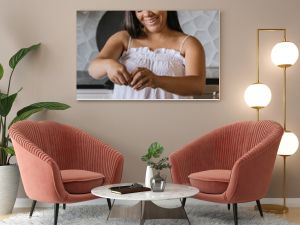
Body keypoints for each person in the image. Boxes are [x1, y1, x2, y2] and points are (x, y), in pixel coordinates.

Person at [88, 10, 206, 99]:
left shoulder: (189, 44)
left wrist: (157, 80)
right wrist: (108, 65)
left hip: (172, 119)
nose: (147, 14)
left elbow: (197, 86)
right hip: (126, 118)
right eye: (139, 9)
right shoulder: (123, 38)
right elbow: (93, 70)